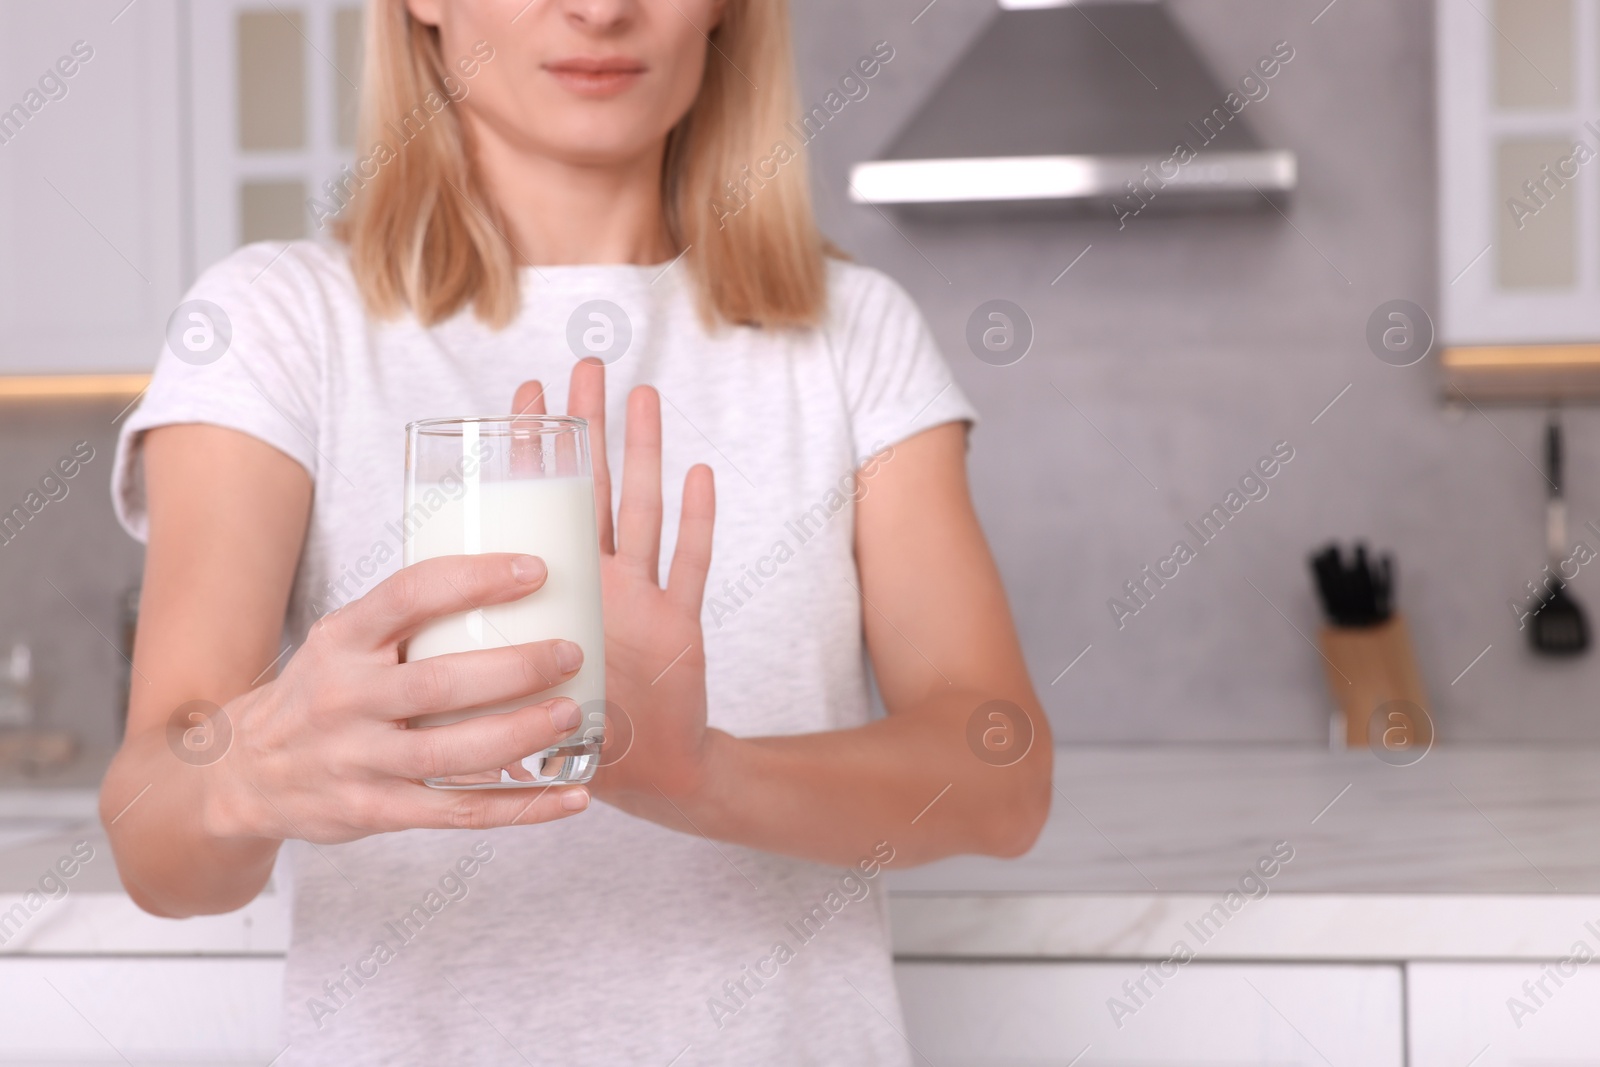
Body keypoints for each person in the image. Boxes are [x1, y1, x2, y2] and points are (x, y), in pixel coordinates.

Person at [101, 0, 1051, 1062]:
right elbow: (157, 842)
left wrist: (700, 773)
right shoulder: (275, 326)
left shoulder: (851, 331)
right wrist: (247, 772)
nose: (601, 10)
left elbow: (1000, 777)